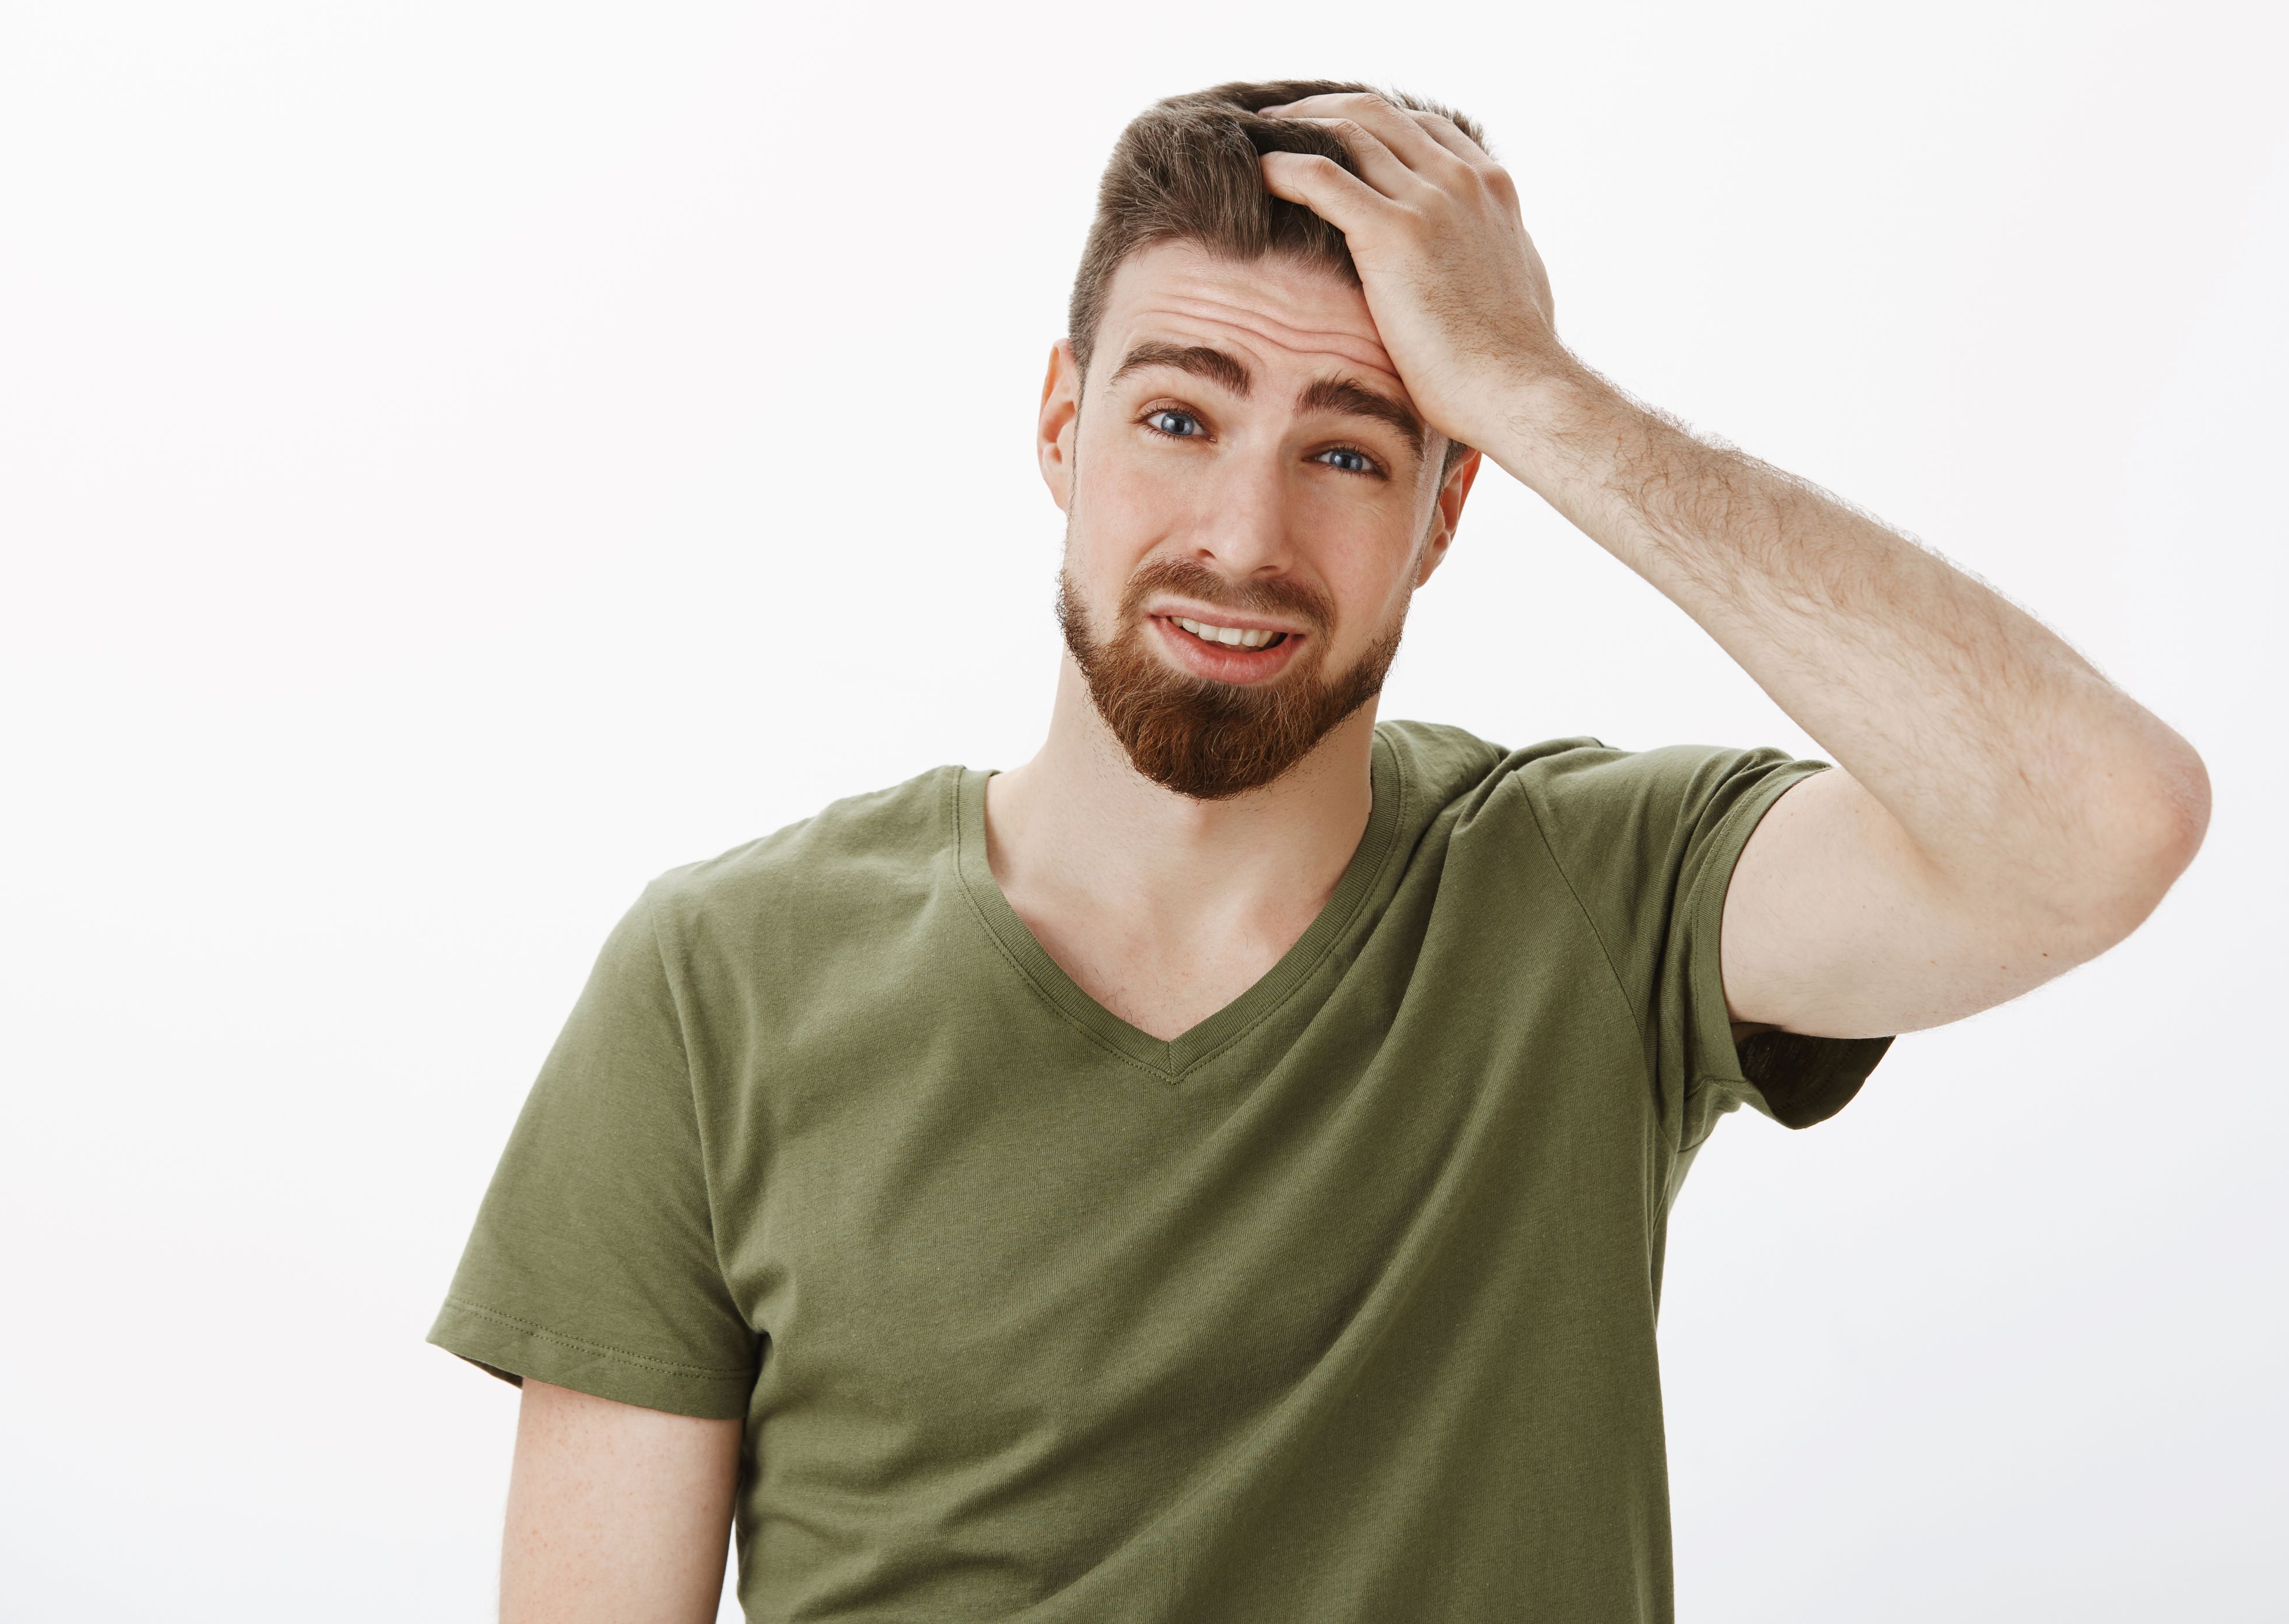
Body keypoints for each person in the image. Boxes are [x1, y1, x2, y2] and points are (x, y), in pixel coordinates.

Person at [426, 79, 2210, 1623]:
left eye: (1351, 454)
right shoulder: (718, 981)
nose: (1243, 536)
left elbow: (2096, 824)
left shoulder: (1597, 897)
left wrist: (1532, 386)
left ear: (1450, 505)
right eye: (1181, 418)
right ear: (1063, 425)